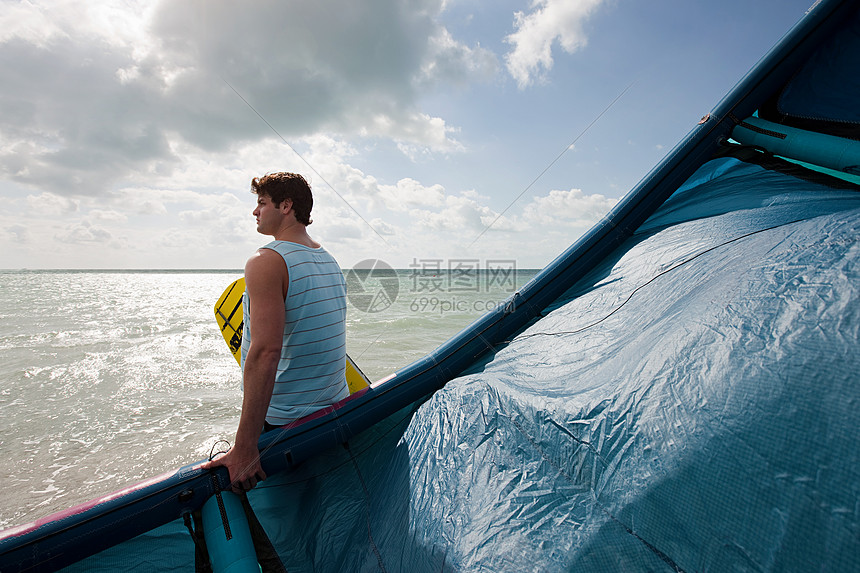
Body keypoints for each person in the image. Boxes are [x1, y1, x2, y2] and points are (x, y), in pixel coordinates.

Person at [203, 172, 349, 493]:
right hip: (335, 407)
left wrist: (245, 448)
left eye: (261, 203)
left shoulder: (266, 260)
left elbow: (266, 352)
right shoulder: (329, 260)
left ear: (286, 206)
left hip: (285, 423)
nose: (255, 211)